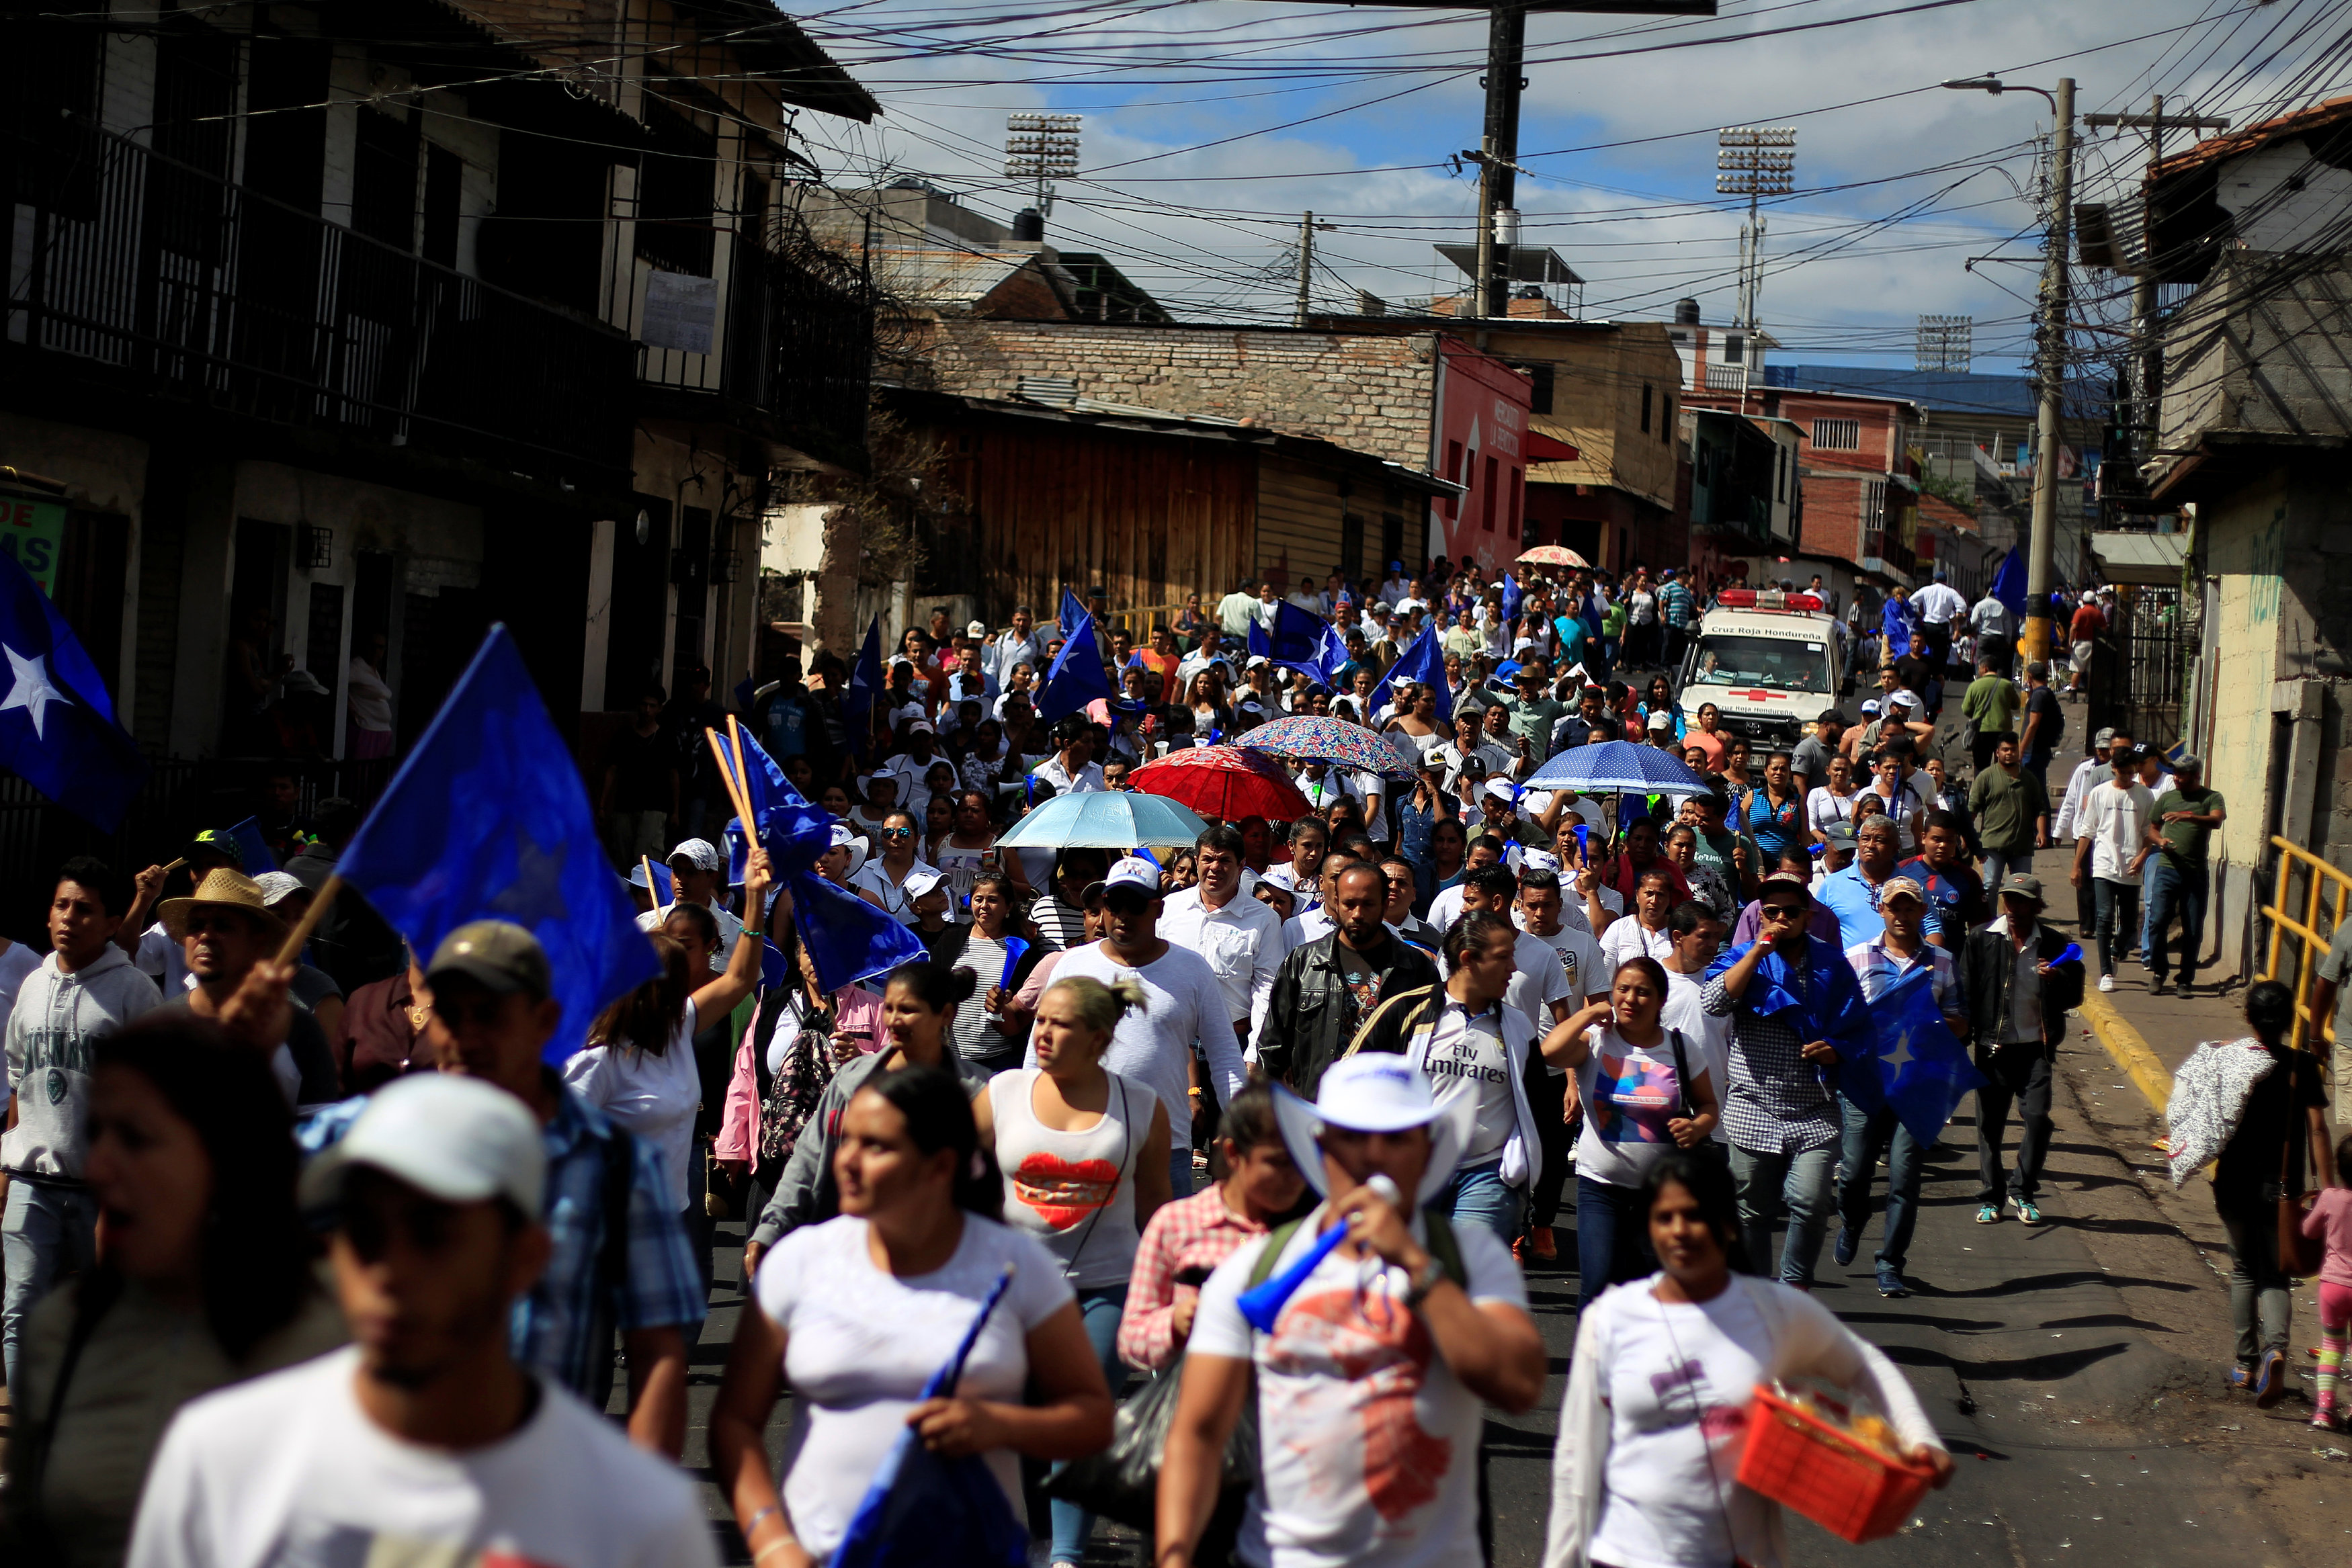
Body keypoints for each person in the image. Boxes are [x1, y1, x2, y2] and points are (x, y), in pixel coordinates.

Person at [132, 1074, 717, 1568]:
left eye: (432, 1235)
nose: (389, 1270)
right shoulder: (217, 1464)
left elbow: (656, 1345)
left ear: (525, 1259)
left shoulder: (641, 1516)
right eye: (362, 1232)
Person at [296, 921, 704, 1454]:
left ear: (544, 1022)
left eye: (489, 1015)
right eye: (449, 1013)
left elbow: (657, 1350)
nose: (466, 1034)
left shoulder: (616, 1164)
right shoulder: (352, 1139)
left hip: (541, 1489)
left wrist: (638, 1506)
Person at [713, 1065, 1114, 1567]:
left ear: (940, 1166)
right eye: (848, 1139)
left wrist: (1001, 1425)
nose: (848, 1161)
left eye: (877, 1145)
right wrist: (771, 1540)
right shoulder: (799, 1263)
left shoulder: (1017, 1267)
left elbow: (1094, 1421)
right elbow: (734, 1422)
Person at [1157, 1053, 1545, 1568]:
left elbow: (1518, 1386)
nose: (1373, 1155)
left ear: (1426, 1151)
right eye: (1353, 1137)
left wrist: (1415, 1264)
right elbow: (1199, 1433)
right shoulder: (1253, 1269)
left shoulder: (1472, 1259)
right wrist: (1175, 1555)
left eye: (1396, 1138)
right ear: (1321, 1147)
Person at [8, 1016, 346, 1568]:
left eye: (136, 1138)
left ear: (228, 1158)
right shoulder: (63, 1332)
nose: (99, 1167)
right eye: (98, 1134)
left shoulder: (342, 1341)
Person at [1544, 1153, 1951, 1568]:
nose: (1679, 1230)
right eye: (1664, 1218)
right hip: (1622, 1555)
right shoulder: (1610, 1318)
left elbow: (1863, 1364)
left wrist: (1920, 1437)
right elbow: (1574, 1459)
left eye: (1695, 1215)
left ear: (1727, 1225)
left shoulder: (1772, 1311)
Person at [975, 975, 1172, 1568]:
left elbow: (1157, 1208)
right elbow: (950, 1176)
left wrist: (1170, 1294)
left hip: (1108, 1287)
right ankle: (1025, 1539)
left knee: (1077, 1418)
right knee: (1017, 1421)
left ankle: (1065, 1557)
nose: (1043, 1033)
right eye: (1040, 1021)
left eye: (1060, 1024)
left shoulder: (1142, 1107)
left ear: (1099, 1037)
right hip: (1011, 1293)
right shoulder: (1003, 1091)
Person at [3, 860, 163, 1395]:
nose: (69, 918)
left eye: (85, 909)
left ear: (114, 921)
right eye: (61, 905)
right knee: (19, 1312)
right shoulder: (30, 985)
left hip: (104, 1192)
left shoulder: (135, 992)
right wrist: (7, 1163)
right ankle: (31, 1442)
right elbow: (20, 1082)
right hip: (33, 1181)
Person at [570, 851, 768, 1241]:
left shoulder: (679, 1026)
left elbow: (741, 977)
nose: (688, 984)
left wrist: (756, 897)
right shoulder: (598, 1061)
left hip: (665, 1228)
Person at [1026, 857, 1243, 1198]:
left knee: (1167, 1250)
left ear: (1157, 909)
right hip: (1081, 1141)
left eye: (1135, 905)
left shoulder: (1192, 970)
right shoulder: (1072, 964)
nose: (1123, 914)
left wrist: (1240, 1127)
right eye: (1114, 904)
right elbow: (1037, 1056)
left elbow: (1225, 1056)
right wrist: (1033, 1125)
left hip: (1164, 1148)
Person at [1702, 872, 1867, 1290]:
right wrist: (1758, 952)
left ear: (1807, 916)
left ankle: (1794, 1288)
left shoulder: (1832, 962)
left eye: (1790, 912)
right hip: (1752, 1106)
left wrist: (1836, 1049)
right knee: (1752, 1213)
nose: (1780, 919)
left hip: (1814, 1108)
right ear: (1758, 916)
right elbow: (1714, 1003)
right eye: (1770, 911)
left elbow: (1860, 1029)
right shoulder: (1742, 956)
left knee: (1811, 1203)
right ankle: (1757, 1297)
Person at [1349, 911, 1549, 1243]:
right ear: (1469, 960)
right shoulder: (1404, 1011)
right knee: (1409, 1279)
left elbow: (1540, 1108)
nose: (1513, 969)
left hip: (1486, 1175)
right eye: (1503, 958)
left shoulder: (1519, 1028)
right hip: (1410, 1175)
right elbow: (1349, 1082)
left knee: (1464, 1274)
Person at [1545, 958, 1721, 1309]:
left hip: (1662, 1197)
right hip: (1600, 1189)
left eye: (1643, 992)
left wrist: (1696, 1126)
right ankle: (1593, 1363)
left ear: (1660, 1001)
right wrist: (1588, 1013)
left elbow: (1709, 1108)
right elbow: (1549, 1051)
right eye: (1622, 990)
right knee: (1596, 1288)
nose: (1630, 999)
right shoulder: (1596, 1042)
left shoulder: (1681, 1047)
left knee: (1656, 1297)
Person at [2202, 983, 2336, 1405]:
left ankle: (2245, 1362)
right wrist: (2330, 1188)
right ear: (2288, 1021)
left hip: (2234, 1183)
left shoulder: (2232, 1059)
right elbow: (2317, 1129)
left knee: (2243, 1269)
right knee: (2276, 1274)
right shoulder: (2302, 1066)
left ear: (2249, 1017)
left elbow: (2207, 1117)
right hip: (2282, 1190)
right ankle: (2276, 1349)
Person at [1116, 1082, 1306, 1374]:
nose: (1293, 1176)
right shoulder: (1176, 1224)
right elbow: (1131, 1340)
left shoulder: (1315, 1231)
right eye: (1278, 1162)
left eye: (1302, 1161)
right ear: (1233, 1153)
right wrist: (1176, 1323)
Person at [1835, 879, 1966, 1299]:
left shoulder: (1942, 963)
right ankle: (1852, 1220)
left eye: (1910, 908)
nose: (1902, 916)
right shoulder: (1854, 959)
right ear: (1881, 909)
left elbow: (1961, 1022)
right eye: (1895, 908)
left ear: (1920, 911)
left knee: (1904, 1179)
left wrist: (1929, 1023)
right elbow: (1837, 1018)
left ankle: (1891, 1263)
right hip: (1865, 1084)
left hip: (1916, 1088)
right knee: (1854, 1173)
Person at [151, 869, 340, 1109]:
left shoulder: (299, 1030)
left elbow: (319, 1130)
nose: (206, 936)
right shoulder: (155, 1029)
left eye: (223, 926)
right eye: (196, 926)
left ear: (257, 942)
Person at [1958, 875, 2084, 1226]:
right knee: (1990, 1127)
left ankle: (2023, 1191)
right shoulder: (1981, 939)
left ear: (2036, 905)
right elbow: (1966, 991)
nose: (2013, 908)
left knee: (2038, 1119)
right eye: (2008, 900)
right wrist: (1959, 1040)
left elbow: (2075, 996)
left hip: (2035, 1051)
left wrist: (2057, 980)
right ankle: (1991, 1197)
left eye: (2021, 901)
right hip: (1992, 1049)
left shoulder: (2056, 944)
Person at [1255, 863, 1439, 1096]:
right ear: (1336, 903)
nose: (1358, 914)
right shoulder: (1303, 963)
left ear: (1384, 905)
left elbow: (1433, 1049)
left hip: (1387, 1110)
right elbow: (1272, 1047)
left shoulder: (1415, 969)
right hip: (1316, 1110)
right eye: (1349, 904)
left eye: (1368, 904)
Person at [1161, 824, 1288, 1052]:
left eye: (1225, 861)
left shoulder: (1265, 919)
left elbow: (1266, 990)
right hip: (1172, 1040)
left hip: (1231, 1043)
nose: (1215, 868)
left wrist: (1254, 1052)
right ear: (1197, 861)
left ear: (1241, 865)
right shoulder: (1169, 908)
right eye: (1208, 859)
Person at [2073, 741, 2155, 992]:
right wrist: (2077, 865)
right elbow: (2087, 831)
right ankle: (2106, 972)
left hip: (2131, 865)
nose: (2129, 777)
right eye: (2124, 773)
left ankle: (2116, 951)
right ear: (2113, 769)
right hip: (2104, 863)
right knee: (2104, 917)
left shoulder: (2144, 795)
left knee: (2129, 925)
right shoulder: (2100, 793)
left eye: (2133, 772)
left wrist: (2142, 857)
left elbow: (2149, 832)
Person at [2144, 753, 2226, 997]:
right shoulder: (2167, 798)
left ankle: (2185, 979)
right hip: (2168, 869)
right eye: (2175, 773)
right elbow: (2152, 829)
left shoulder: (2211, 797)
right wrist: (2161, 841)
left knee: (2192, 927)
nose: (2176, 778)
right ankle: (2159, 971)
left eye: (2182, 774)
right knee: (2157, 920)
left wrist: (2188, 816)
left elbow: (2216, 820)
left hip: (2195, 873)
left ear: (2195, 776)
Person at [2298, 1135, 2352, 1430]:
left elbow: (2307, 1231)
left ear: (2339, 1167)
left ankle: (2324, 1411)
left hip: (2333, 1286)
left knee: (2332, 1345)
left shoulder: (2331, 1198)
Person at [599, 685, 677, 864]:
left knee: (646, 862)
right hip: (624, 806)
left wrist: (675, 811)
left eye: (652, 706)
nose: (647, 710)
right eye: (644, 705)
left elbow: (674, 774)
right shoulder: (624, 736)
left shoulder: (666, 738)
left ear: (660, 708)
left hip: (654, 807)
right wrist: (602, 806)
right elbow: (612, 770)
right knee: (621, 857)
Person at [1970, 732, 2048, 890]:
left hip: (2022, 845)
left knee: (2022, 888)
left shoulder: (2029, 779)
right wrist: (1966, 838)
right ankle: (1990, 916)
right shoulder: (1986, 777)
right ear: (1997, 752)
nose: (2009, 753)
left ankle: (2016, 916)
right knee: (1990, 885)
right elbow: (1972, 809)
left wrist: (2041, 833)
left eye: (2013, 750)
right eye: (2005, 750)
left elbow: (2040, 809)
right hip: (1993, 844)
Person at [1599, 867, 1677, 970]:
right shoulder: (1619, 928)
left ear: (1669, 899)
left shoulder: (1679, 930)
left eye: (1661, 895)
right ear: (1637, 895)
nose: (1654, 901)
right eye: (1649, 894)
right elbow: (1604, 975)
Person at [1961, 655, 2021, 774]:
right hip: (2004, 730)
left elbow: (1966, 709)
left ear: (1985, 668)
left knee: (1981, 767)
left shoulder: (1974, 686)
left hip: (1982, 731)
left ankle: (1982, 790)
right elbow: (2016, 705)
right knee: (2003, 766)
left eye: (1980, 668)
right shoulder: (2007, 685)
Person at [345, 628, 395, 758]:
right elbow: (337, 684)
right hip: (368, 732)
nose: (376, 651)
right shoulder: (356, 667)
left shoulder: (374, 671)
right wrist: (347, 705)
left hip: (382, 732)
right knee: (361, 775)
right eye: (372, 646)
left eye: (380, 647)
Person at [2017, 660, 2063, 789]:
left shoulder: (2039, 696)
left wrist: (2021, 750)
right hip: (2039, 750)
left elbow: (2033, 724)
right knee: (2037, 787)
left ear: (2030, 676)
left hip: (2033, 751)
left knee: (2034, 788)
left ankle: (2042, 810)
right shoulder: (2045, 693)